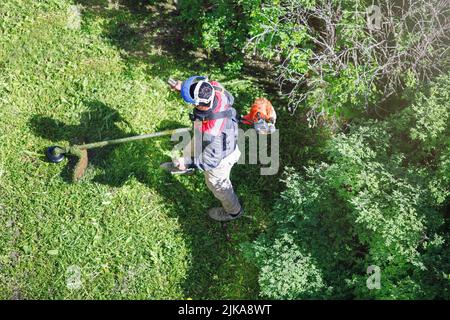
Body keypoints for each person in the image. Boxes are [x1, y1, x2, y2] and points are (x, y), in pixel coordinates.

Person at [168, 76, 243, 222]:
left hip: (220, 157)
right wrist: (184, 88)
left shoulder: (212, 132)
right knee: (190, 148)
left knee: (218, 186)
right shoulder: (215, 89)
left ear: (200, 105)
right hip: (204, 136)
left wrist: (189, 162)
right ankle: (185, 167)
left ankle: (234, 212)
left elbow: (210, 161)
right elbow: (226, 96)